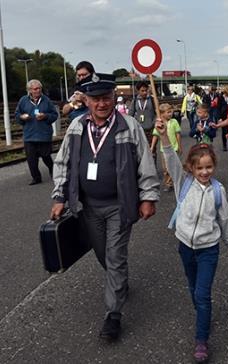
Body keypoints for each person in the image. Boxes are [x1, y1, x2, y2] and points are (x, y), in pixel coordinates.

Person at [50, 73, 160, 341]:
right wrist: (59, 196)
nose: (102, 104)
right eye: (96, 99)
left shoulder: (129, 126)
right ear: (86, 101)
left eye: (106, 98)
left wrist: (148, 197)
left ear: (114, 98)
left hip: (119, 206)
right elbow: (63, 164)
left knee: (114, 256)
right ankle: (118, 279)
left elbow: (145, 163)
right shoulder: (76, 127)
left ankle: (113, 315)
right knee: (104, 255)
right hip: (87, 207)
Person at [155, 121, 228, 362]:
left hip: (209, 248)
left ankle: (201, 340)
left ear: (214, 167)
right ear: (190, 168)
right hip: (185, 246)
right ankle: (203, 313)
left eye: (208, 167)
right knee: (193, 287)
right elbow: (170, 157)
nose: (204, 172)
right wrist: (164, 138)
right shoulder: (184, 182)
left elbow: (225, 219)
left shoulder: (218, 191)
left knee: (202, 294)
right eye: (199, 168)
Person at [15, 79, 59, 185]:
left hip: (44, 135)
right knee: (31, 159)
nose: (37, 90)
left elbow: (54, 115)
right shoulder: (23, 100)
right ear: (29, 90)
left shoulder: (47, 100)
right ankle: (36, 177)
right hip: (29, 135)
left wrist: (45, 116)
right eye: (35, 89)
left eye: (39, 88)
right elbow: (17, 114)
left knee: (46, 156)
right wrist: (22, 117)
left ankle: (53, 172)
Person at [151, 103, 182, 192]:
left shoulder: (174, 122)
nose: (171, 113)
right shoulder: (159, 123)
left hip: (174, 148)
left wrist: (179, 146)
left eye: (171, 111)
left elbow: (178, 134)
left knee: (174, 166)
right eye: (168, 112)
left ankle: (175, 181)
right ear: (162, 114)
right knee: (166, 168)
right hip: (163, 149)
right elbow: (155, 135)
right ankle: (168, 183)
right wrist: (152, 147)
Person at [217, 87, 228, 151]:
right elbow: (218, 108)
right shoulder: (220, 98)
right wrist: (219, 117)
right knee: (224, 131)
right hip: (223, 116)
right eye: (227, 93)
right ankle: (224, 145)